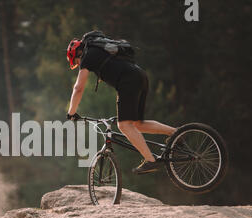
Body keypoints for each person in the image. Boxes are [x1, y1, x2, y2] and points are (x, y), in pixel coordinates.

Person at [66, 35, 177, 174]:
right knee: (137, 124)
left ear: (78, 54)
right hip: (140, 76)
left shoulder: (88, 56)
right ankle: (176, 133)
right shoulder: (99, 51)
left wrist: (71, 113)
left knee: (123, 125)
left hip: (128, 81)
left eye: (76, 61)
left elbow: (78, 88)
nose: (78, 64)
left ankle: (151, 160)